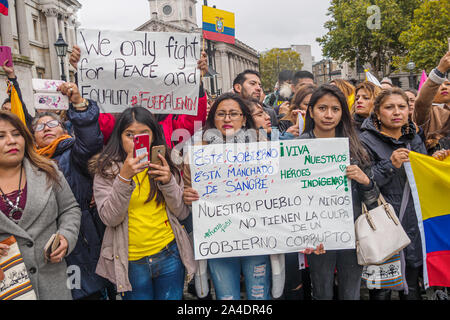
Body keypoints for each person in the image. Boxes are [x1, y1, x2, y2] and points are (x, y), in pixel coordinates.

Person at [92, 106, 195, 300]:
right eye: (129, 134)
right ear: (119, 137)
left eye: (144, 134)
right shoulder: (107, 170)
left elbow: (182, 213)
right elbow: (110, 218)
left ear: (154, 136)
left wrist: (168, 182)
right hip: (131, 260)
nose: (136, 140)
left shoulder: (164, 163)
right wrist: (123, 179)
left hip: (169, 253)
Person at [182, 93, 272, 300]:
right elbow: (187, 192)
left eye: (233, 113)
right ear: (213, 118)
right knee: (226, 296)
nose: (227, 119)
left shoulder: (263, 145)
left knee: (259, 295)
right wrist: (187, 195)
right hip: (218, 239)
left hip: (256, 237)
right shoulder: (197, 151)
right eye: (221, 114)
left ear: (244, 117)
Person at [299, 84, 380, 300]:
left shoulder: (355, 145)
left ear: (343, 112)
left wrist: (365, 181)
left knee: (350, 293)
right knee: (322, 291)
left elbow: (373, 201)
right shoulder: (296, 148)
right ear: (311, 111)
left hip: (352, 233)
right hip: (316, 234)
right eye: (322, 108)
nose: (328, 115)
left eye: (335, 109)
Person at [32, 82, 109, 300]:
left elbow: (91, 140)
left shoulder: (76, 153)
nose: (46, 128)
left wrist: (78, 105)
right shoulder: (29, 164)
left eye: (52, 124)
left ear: (64, 129)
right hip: (48, 244)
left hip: (85, 237)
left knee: (92, 290)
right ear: (32, 138)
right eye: (39, 127)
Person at [0, 111, 81, 300]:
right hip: (9, 287)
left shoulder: (47, 171)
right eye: (1, 136)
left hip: (53, 284)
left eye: (16, 133)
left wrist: (66, 236)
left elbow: (70, 209)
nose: (12, 141)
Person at [359, 88, 428, 300]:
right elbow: (363, 185)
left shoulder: (414, 139)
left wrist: (437, 161)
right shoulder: (364, 141)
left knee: (412, 288)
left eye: (402, 107)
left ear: (409, 111)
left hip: (413, 225)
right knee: (381, 291)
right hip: (382, 227)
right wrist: (390, 164)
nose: (396, 112)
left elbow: (424, 178)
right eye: (389, 107)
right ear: (378, 113)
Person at [69, 45, 208, 149]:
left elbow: (193, 121)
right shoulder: (117, 120)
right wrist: (84, 74)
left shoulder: (170, 120)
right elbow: (92, 121)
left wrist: (195, 80)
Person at [413, 51, 450, 155]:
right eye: (438, 85)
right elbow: (422, 102)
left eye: (448, 84)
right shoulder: (429, 113)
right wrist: (440, 71)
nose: (443, 87)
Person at [1, 61, 34, 130]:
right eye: (4, 109)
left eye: (11, 110)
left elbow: (16, 97)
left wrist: (11, 76)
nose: (7, 112)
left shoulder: (24, 123)